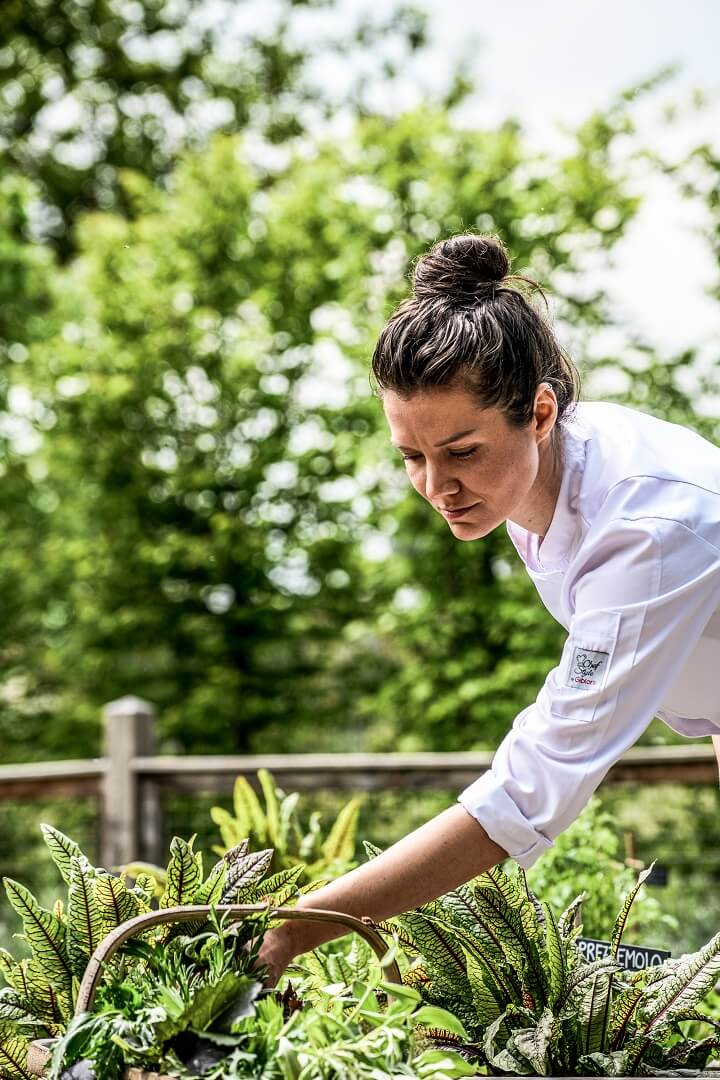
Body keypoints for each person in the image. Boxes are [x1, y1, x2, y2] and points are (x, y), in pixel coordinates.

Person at [257, 232, 720, 983]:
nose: (437, 487)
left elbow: (537, 783)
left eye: (462, 452)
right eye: (413, 456)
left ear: (539, 413)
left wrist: (297, 929)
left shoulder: (647, 526)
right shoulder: (535, 484)